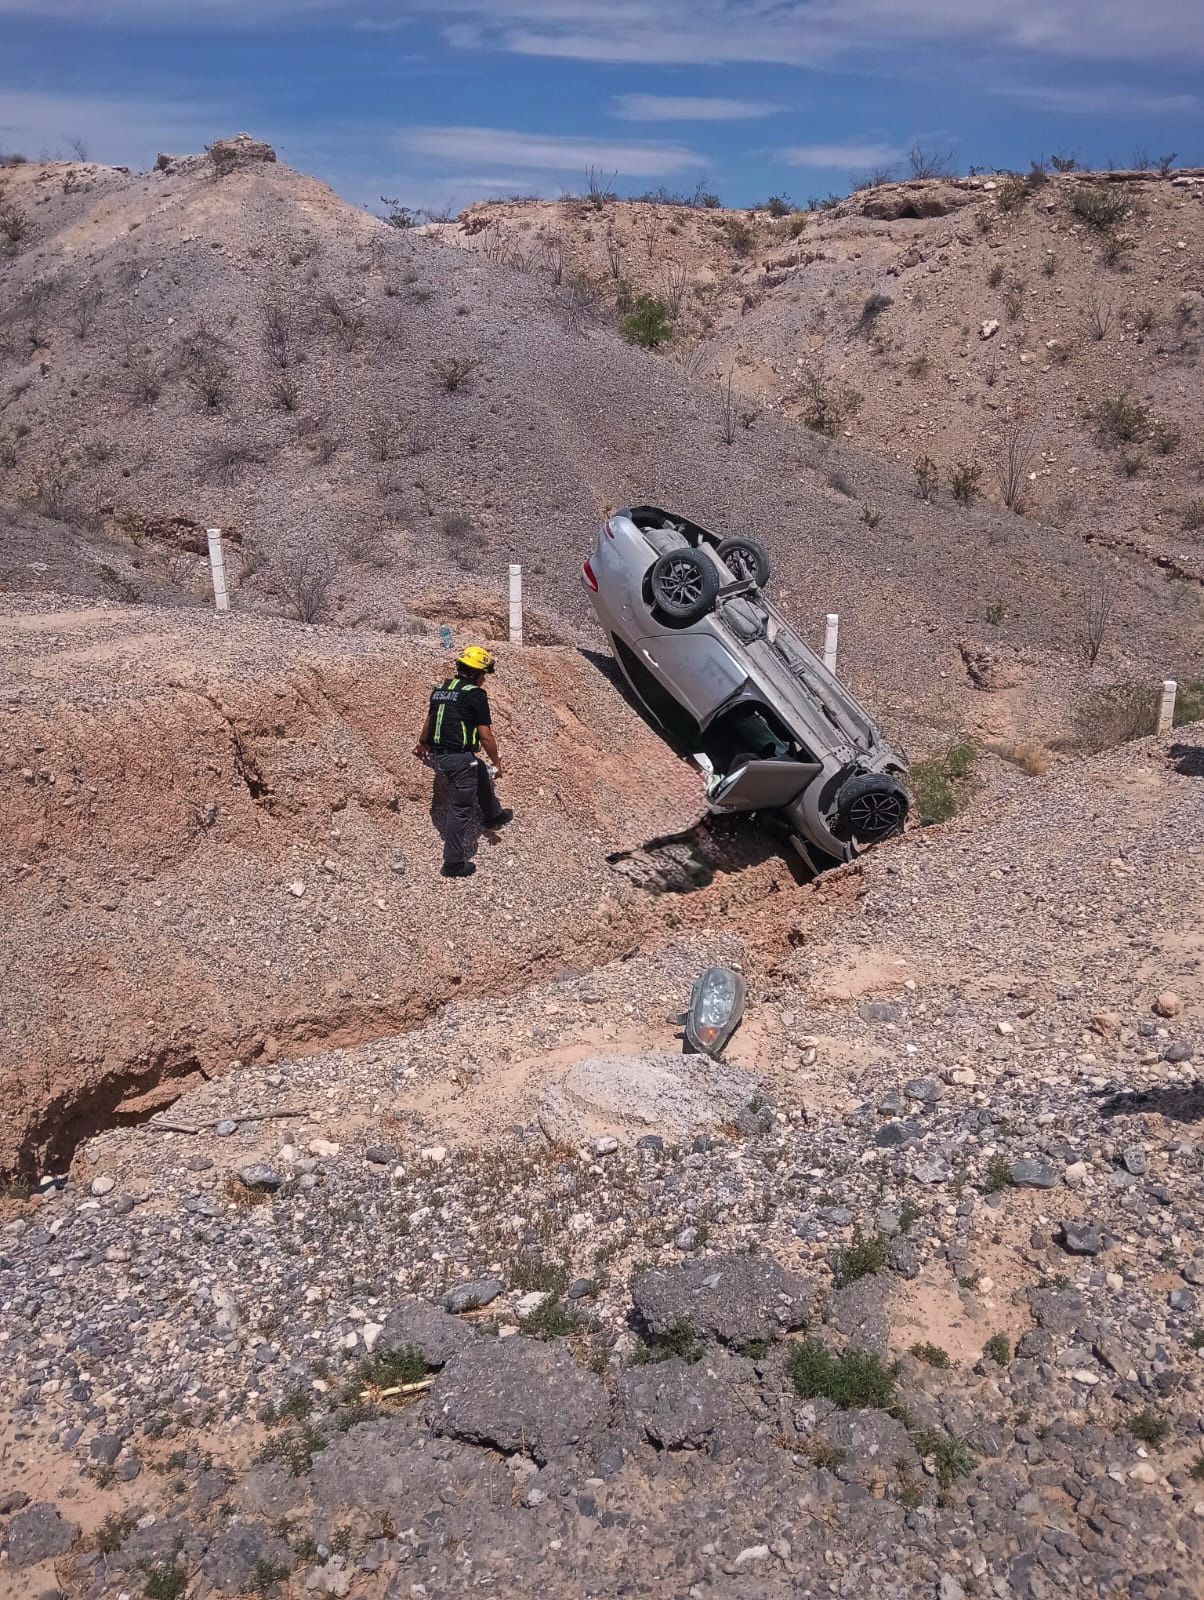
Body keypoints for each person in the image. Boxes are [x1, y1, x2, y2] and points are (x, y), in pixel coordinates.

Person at [414, 645, 513, 878]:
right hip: (457, 759)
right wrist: (497, 762)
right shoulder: (475, 695)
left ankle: (492, 815)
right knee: (460, 809)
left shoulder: (440, 690)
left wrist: (422, 741)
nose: (484, 680)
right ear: (477, 674)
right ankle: (453, 862)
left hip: (442, 756)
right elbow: (485, 735)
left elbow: (431, 719)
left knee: (477, 768)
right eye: (484, 675)